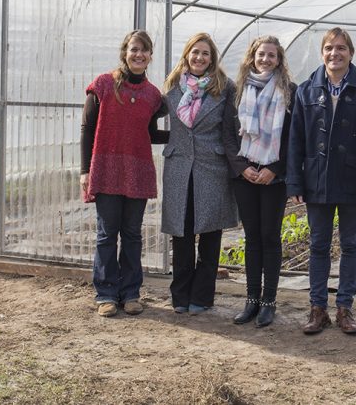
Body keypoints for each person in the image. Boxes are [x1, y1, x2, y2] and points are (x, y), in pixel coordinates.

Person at [287, 27, 356, 335]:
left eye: (341, 48)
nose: (335, 53)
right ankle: (318, 309)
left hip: (353, 181)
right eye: (329, 48)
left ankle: (344, 308)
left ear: (350, 53)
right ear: (322, 53)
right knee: (318, 245)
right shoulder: (306, 91)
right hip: (317, 180)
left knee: (351, 245)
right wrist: (295, 183)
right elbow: (296, 141)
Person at [80, 29, 166, 318]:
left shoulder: (153, 95)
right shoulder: (104, 85)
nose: (138, 55)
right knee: (107, 234)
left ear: (150, 56)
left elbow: (150, 133)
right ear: (125, 53)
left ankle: (130, 293)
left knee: (132, 235)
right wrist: (84, 170)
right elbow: (87, 128)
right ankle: (105, 294)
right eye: (134, 49)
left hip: (138, 170)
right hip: (106, 168)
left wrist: (184, 134)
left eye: (144, 50)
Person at [160, 32, 241, 314]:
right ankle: (180, 296)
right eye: (195, 52)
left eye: (205, 53)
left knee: (209, 234)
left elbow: (232, 129)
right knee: (180, 233)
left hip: (212, 167)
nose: (199, 58)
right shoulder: (172, 86)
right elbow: (149, 120)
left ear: (212, 58)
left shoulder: (225, 87)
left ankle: (203, 296)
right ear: (186, 55)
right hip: (179, 167)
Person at [230, 35, 297, 328]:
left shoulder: (289, 92)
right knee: (252, 237)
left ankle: (269, 301)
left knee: (270, 237)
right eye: (261, 54)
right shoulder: (238, 91)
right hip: (245, 175)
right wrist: (242, 167)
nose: (266, 59)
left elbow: (294, 138)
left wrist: (276, 168)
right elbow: (228, 135)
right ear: (252, 57)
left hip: (274, 177)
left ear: (279, 59)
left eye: (272, 55)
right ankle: (251, 300)